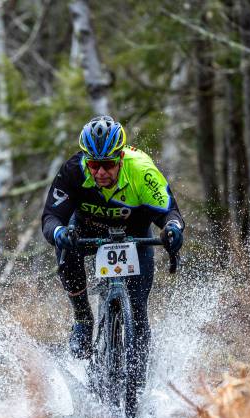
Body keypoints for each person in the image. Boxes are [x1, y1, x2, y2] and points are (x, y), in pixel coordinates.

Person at [41, 115, 184, 379]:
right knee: (66, 247)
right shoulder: (73, 170)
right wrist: (59, 232)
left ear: (120, 157)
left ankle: (138, 386)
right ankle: (83, 318)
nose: (100, 172)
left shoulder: (142, 170)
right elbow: (51, 217)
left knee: (139, 312)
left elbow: (169, 213)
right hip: (87, 228)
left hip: (134, 233)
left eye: (107, 165)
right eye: (94, 165)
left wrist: (173, 229)